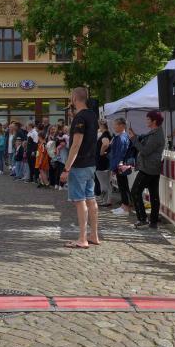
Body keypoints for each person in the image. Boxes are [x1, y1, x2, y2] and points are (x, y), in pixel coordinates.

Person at [60, 87, 100, 248]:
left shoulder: (80, 117)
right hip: (91, 164)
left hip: (79, 165)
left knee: (80, 201)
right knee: (91, 199)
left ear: (74, 98)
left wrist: (66, 168)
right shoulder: (93, 115)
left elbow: (76, 145)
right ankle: (94, 235)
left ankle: (82, 239)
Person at [129, 111, 166, 230]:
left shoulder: (156, 135)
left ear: (154, 121)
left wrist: (134, 139)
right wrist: (135, 137)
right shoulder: (155, 132)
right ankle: (153, 221)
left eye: (148, 119)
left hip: (148, 168)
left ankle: (143, 219)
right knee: (154, 195)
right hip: (151, 167)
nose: (146, 121)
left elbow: (145, 151)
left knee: (135, 192)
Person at [110, 118, 133, 215]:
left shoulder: (121, 138)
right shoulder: (123, 136)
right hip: (122, 164)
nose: (114, 126)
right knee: (123, 185)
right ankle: (124, 206)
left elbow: (119, 154)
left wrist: (114, 167)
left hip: (120, 165)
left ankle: (125, 207)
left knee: (123, 186)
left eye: (116, 124)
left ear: (122, 126)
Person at [95, 119, 112, 206]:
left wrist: (101, 152)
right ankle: (108, 200)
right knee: (107, 183)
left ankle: (105, 201)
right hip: (105, 161)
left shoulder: (105, 135)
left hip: (101, 162)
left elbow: (105, 144)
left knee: (103, 183)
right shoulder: (108, 134)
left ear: (101, 125)